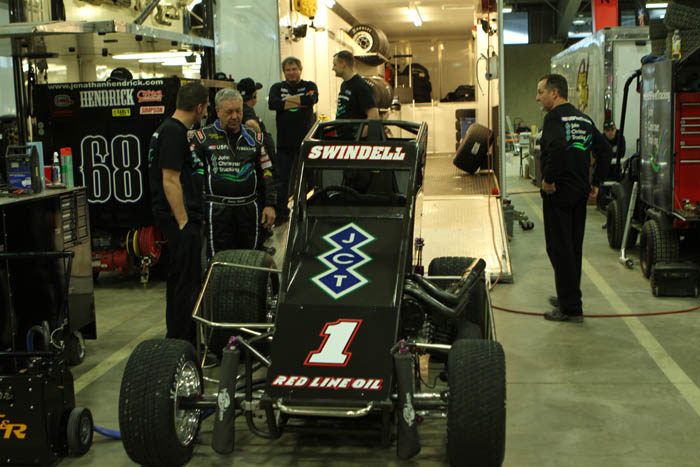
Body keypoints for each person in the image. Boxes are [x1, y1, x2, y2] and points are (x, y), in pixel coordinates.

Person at [535, 74, 612, 323]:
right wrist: (596, 182)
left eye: (541, 92)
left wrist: (548, 179)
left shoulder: (553, 118)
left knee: (559, 248)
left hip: (559, 193)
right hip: (579, 193)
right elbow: (605, 150)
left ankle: (570, 308)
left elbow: (557, 147)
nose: (537, 97)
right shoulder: (584, 119)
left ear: (555, 93)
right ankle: (568, 295)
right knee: (572, 248)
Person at [148, 82, 209, 343]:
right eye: (205, 108)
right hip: (178, 219)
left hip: (176, 217)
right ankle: (183, 341)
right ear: (199, 107)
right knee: (186, 284)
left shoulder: (168, 130)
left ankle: (178, 338)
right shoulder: (173, 132)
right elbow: (170, 180)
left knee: (180, 281)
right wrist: (184, 223)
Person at [192, 88, 276, 258]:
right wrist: (198, 210)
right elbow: (194, 178)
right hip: (217, 211)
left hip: (249, 210)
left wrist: (270, 204)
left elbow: (267, 172)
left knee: (250, 258)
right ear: (218, 111)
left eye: (238, 111)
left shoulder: (255, 138)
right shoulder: (202, 138)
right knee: (219, 260)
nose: (235, 116)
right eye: (229, 112)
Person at [268, 57, 318, 226]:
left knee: (310, 178)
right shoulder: (277, 87)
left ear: (300, 70)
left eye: (294, 69)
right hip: (284, 142)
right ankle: (282, 214)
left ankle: (309, 209)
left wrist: (285, 103)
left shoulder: (310, 85)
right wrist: (300, 101)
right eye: (288, 70)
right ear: (284, 72)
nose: (291, 72)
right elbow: (273, 104)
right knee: (282, 180)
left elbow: (311, 100)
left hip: (306, 142)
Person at [332, 50, 380, 120]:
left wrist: (362, 128)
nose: (333, 68)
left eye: (335, 65)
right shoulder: (344, 85)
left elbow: (374, 116)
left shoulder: (360, 86)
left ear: (343, 64)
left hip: (354, 127)